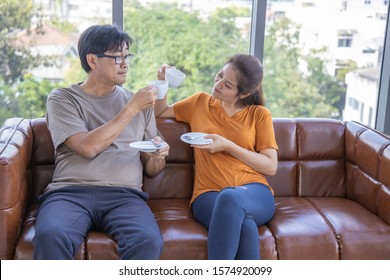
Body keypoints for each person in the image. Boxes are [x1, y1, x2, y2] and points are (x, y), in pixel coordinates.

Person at [32, 24, 169, 260]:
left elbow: (152, 169)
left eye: (128, 56)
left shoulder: (139, 105)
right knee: (50, 235)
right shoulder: (63, 98)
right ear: (93, 61)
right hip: (70, 193)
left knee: (147, 241)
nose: (125, 64)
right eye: (117, 58)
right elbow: (87, 147)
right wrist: (132, 108)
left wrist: (158, 157)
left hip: (125, 195)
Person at [154, 54, 278, 260]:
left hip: (254, 191)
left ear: (244, 93)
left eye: (227, 85)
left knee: (232, 198)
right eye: (220, 75)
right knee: (244, 224)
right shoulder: (199, 102)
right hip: (208, 194)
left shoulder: (259, 114)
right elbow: (161, 112)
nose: (218, 84)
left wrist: (228, 146)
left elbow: (270, 166)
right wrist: (162, 82)